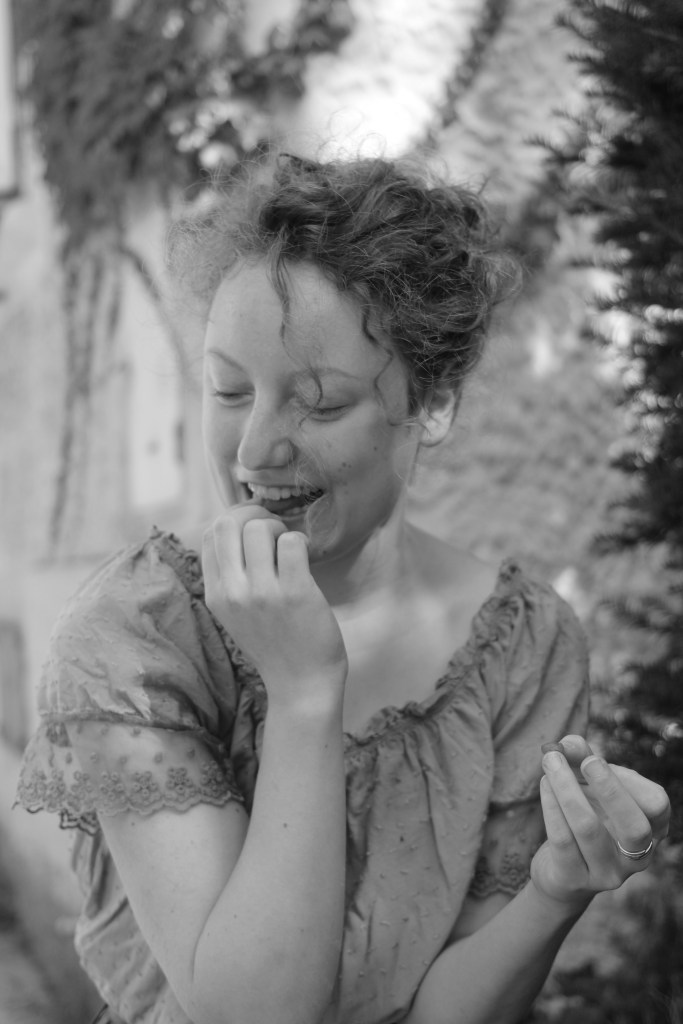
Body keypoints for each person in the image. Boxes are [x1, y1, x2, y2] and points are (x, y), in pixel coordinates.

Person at [16, 151, 670, 1024]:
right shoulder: (136, 636)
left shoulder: (523, 648)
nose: (255, 450)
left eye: (319, 403)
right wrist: (301, 693)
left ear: (431, 404)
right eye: (228, 390)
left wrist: (553, 891)